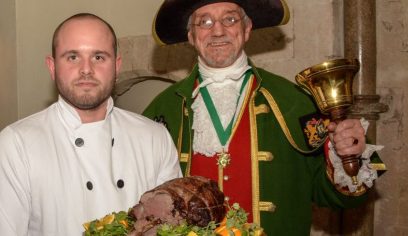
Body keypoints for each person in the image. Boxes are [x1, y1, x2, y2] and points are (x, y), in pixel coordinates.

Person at [144, 0, 386, 235]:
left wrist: (346, 156)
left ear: (247, 29)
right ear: (191, 36)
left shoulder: (293, 100)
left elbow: (332, 195)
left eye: (229, 19)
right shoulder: (164, 108)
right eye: (204, 22)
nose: (217, 31)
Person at [0, 13, 182, 235]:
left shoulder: (155, 138)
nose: (86, 69)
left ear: (116, 66)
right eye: (73, 57)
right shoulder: (16, 144)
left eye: (98, 57)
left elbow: (173, 227)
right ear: (52, 66)